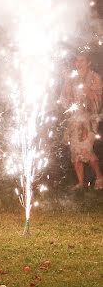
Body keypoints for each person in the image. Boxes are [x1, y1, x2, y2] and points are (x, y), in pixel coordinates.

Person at [59, 53, 103, 190]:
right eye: (76, 60)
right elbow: (65, 98)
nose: (79, 63)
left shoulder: (94, 77)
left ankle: (99, 178)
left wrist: (85, 87)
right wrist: (68, 82)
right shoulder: (72, 78)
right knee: (75, 151)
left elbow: (98, 97)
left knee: (85, 149)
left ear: (88, 62)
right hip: (75, 119)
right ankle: (80, 183)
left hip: (89, 119)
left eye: (82, 60)